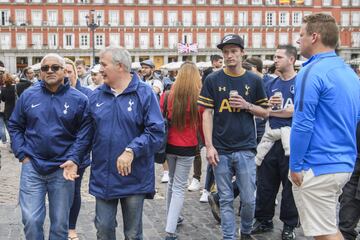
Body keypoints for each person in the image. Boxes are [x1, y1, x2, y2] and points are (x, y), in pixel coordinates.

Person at [290, 13, 360, 240]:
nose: (298, 40)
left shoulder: (311, 71)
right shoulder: (349, 73)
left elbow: (302, 123)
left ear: (314, 37)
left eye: (301, 34)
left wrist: (295, 165)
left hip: (319, 164)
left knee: (324, 234)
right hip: (343, 162)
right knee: (328, 228)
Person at [8, 53, 91, 240]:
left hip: (62, 168)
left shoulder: (79, 99)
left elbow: (85, 134)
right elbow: (14, 125)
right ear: (40, 73)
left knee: (60, 224)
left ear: (65, 71)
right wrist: (22, 154)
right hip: (33, 166)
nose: (50, 71)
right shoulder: (28, 95)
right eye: (45, 68)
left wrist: (73, 158)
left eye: (55, 67)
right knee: (30, 220)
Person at [87, 47, 164, 240]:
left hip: (134, 176)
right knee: (103, 229)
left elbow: (156, 132)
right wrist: (73, 159)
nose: (99, 69)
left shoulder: (145, 93)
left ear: (120, 66)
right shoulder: (95, 96)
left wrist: (132, 150)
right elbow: (85, 134)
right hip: (103, 175)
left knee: (132, 233)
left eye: (103, 64)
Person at [198, 34, 268, 240]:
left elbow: (265, 112)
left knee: (248, 199)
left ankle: (245, 231)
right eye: (225, 52)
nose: (229, 55)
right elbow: (207, 114)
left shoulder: (254, 80)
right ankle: (229, 236)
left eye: (233, 51)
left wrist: (246, 105)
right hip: (220, 149)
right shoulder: (212, 79)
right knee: (226, 199)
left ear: (242, 53)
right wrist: (209, 146)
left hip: (246, 148)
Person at [251, 45, 299, 240]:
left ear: (291, 60)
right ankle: (264, 219)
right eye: (274, 57)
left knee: (290, 186)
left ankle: (289, 225)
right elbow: (263, 110)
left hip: (292, 140)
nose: (275, 60)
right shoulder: (271, 84)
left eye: (279, 57)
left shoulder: (302, 82)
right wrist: (269, 107)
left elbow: (296, 112)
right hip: (271, 139)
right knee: (265, 183)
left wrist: (270, 112)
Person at [160, 62, 203, 240]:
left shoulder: (168, 95)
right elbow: (201, 125)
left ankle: (174, 217)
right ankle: (170, 230)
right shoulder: (198, 99)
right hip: (188, 146)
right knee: (179, 187)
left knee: (171, 183)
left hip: (169, 144)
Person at [64, 57, 93, 240]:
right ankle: (60, 225)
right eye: (63, 71)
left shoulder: (87, 94)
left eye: (69, 71)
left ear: (76, 73)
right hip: (58, 153)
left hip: (80, 153)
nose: (66, 75)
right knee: (59, 191)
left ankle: (71, 227)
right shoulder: (55, 94)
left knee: (74, 190)